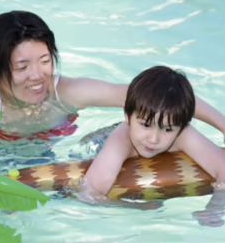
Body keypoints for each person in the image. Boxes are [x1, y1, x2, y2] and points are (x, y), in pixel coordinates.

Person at [0, 10, 225, 172]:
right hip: (2, 160)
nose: (38, 75)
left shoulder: (66, 92)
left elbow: (161, 96)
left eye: (44, 60)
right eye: (22, 66)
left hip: (65, 153)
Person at [81, 66, 225, 226]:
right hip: (99, 141)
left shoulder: (183, 134)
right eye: (145, 125)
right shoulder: (120, 141)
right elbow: (89, 194)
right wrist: (136, 207)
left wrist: (215, 208)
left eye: (167, 129)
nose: (154, 139)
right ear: (127, 116)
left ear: (182, 126)